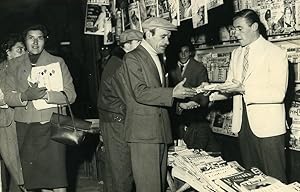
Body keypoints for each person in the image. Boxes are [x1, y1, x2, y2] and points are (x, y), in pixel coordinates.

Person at [207, 9, 288, 182]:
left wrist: (245, 89)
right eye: (233, 29)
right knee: (252, 177)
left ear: (255, 27)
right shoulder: (236, 53)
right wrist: (210, 92)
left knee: (275, 178)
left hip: (268, 127)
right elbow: (231, 87)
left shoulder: (276, 53)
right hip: (243, 125)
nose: (235, 33)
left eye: (239, 28)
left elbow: (278, 93)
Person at [121, 17, 197, 192]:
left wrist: (179, 100)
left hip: (159, 132)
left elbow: (157, 94)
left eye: (168, 37)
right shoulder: (133, 58)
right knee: (149, 187)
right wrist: (172, 93)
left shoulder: (157, 57)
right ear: (148, 34)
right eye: (163, 37)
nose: (167, 42)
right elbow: (140, 92)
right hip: (144, 134)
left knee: (158, 186)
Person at [4, 24, 76, 192]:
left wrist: (46, 95)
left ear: (45, 40)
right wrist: (26, 96)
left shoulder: (57, 62)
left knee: (57, 183)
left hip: (52, 127)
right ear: (25, 41)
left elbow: (71, 95)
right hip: (26, 129)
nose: (35, 42)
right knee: (38, 183)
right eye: (31, 38)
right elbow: (8, 97)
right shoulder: (14, 65)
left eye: (40, 38)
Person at [97, 29, 143, 192]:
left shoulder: (115, 61)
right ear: (128, 45)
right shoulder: (120, 66)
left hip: (111, 121)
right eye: (140, 43)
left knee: (113, 171)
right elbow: (130, 98)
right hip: (118, 123)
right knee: (123, 172)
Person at [168, 43, 220, 152]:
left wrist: (194, 103)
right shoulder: (170, 67)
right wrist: (178, 105)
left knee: (195, 143)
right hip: (175, 112)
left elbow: (204, 92)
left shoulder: (199, 67)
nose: (183, 54)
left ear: (191, 53)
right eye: (180, 51)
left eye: (186, 51)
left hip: (194, 112)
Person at [0, 33, 26, 192]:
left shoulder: (25, 69)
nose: (23, 53)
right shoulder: (1, 70)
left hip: (25, 120)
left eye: (24, 50)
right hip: (7, 122)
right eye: (19, 49)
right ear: (8, 52)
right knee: (14, 167)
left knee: (25, 166)